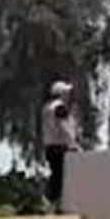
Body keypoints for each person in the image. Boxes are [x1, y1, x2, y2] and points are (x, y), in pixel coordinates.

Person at [42, 81, 80, 210]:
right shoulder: (59, 107)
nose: (69, 95)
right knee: (62, 176)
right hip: (60, 146)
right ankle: (52, 201)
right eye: (66, 92)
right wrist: (74, 144)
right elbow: (64, 127)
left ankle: (50, 201)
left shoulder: (47, 107)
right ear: (61, 93)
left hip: (49, 146)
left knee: (56, 174)